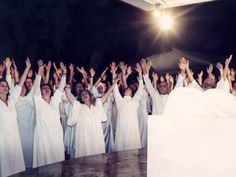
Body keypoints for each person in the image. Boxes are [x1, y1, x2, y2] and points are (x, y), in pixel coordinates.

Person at [64, 75, 118, 158]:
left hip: (96, 135)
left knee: (97, 155)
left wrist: (115, 82)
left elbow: (107, 94)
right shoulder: (78, 106)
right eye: (82, 94)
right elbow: (69, 97)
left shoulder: (97, 104)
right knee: (84, 156)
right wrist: (67, 88)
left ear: (90, 96)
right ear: (81, 98)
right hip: (84, 137)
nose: (85, 95)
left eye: (86, 93)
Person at [0, 57, 31, 177]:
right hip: (2, 141)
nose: (5, 87)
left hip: (14, 140)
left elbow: (19, 84)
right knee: (4, 169)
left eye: (6, 86)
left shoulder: (12, 100)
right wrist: (5, 71)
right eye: (2, 86)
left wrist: (27, 68)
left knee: (16, 170)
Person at [33, 60, 66, 167]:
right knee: (44, 161)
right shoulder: (38, 100)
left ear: (51, 91)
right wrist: (40, 69)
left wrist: (64, 74)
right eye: (44, 88)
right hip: (43, 135)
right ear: (40, 92)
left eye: (48, 88)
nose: (46, 89)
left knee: (57, 161)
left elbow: (61, 87)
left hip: (56, 133)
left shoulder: (55, 99)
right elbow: (37, 85)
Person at [113, 63, 143, 151]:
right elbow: (114, 88)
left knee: (132, 152)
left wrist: (140, 73)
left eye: (130, 88)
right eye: (127, 88)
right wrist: (114, 73)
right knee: (121, 151)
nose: (128, 88)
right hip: (122, 130)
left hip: (132, 131)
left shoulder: (135, 101)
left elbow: (141, 88)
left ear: (132, 93)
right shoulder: (120, 101)